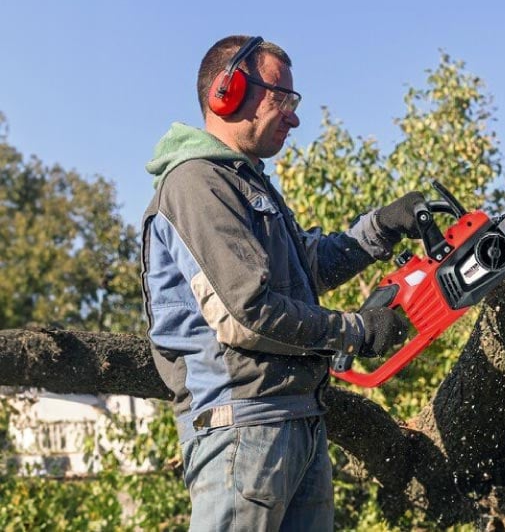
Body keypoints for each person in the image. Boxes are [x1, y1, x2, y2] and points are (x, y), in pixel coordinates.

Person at [140, 34, 423, 531]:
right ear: (227, 92)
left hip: (294, 418)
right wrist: (355, 329)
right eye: (282, 99)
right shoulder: (196, 183)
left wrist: (380, 228)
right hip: (243, 425)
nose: (293, 116)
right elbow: (244, 313)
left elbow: (304, 264)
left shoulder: (245, 182)